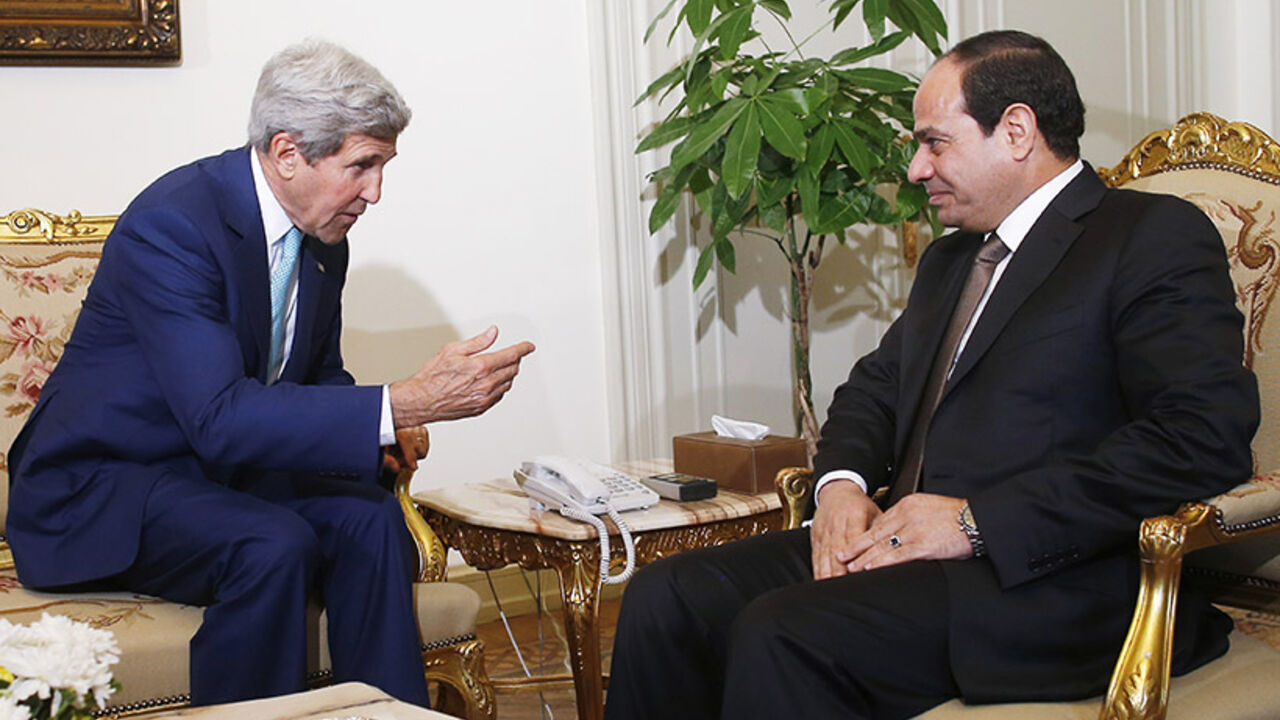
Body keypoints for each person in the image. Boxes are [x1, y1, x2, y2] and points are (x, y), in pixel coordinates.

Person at [604, 30, 1259, 720]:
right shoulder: (954, 261)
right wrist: (841, 488)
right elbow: (874, 390)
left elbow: (1199, 436)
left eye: (934, 142)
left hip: (1049, 574)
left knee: (784, 630)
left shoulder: (1148, 235)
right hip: (902, 548)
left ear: (1015, 131)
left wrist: (976, 522)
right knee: (666, 596)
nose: (916, 169)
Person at [5, 40, 535, 708]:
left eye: (383, 166)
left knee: (372, 520)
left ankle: (388, 712)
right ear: (287, 153)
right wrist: (401, 402)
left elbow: (316, 377)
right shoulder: (173, 226)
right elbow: (220, 418)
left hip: (206, 475)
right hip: (100, 488)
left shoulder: (322, 237)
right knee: (271, 544)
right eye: (362, 166)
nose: (376, 192)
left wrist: (381, 433)